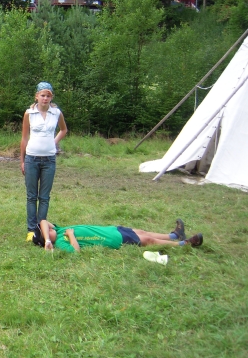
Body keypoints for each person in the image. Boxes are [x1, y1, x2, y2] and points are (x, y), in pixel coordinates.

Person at [21, 82, 67, 243]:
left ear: (51, 97)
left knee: (44, 197)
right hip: (31, 159)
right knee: (31, 196)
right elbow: (24, 138)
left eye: (48, 96)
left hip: (49, 160)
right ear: (37, 96)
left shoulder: (56, 113)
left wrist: (53, 142)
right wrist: (22, 160)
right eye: (42, 95)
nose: (45, 98)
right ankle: (31, 230)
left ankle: (41, 229)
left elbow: (64, 130)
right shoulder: (29, 113)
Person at [34, 218, 203, 253]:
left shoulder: (60, 229)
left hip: (112, 230)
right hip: (113, 240)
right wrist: (71, 236)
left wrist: (47, 238)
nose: (49, 229)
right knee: (148, 240)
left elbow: (43, 220)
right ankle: (184, 244)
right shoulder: (61, 241)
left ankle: (174, 235)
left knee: (142, 232)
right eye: (46, 232)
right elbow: (76, 251)